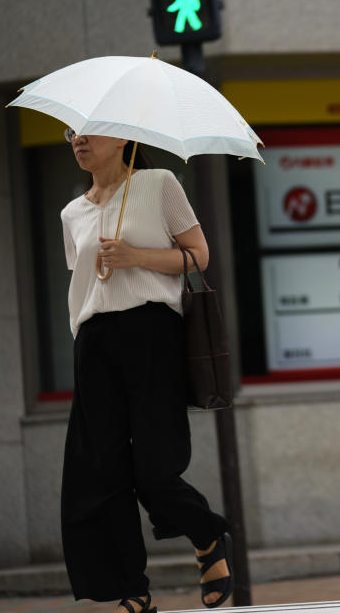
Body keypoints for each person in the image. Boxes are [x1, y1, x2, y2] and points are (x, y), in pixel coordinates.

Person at [59, 129, 233, 612]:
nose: (77, 140)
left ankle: (206, 533)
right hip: (94, 342)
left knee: (155, 469)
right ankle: (132, 589)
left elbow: (198, 256)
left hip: (152, 333)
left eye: (89, 132)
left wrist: (138, 257)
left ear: (121, 137)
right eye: (71, 132)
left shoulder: (159, 184)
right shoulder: (72, 212)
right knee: (101, 472)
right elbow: (83, 280)